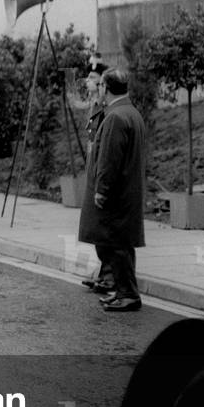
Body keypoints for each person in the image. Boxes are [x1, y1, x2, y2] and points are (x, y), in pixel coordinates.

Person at [78, 69, 147, 313]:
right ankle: (121, 291)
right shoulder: (131, 112)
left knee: (115, 244)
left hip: (116, 192)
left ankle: (128, 294)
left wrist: (101, 190)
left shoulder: (115, 117)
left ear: (106, 88)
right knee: (120, 244)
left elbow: (109, 158)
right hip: (128, 190)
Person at [79, 67, 114, 295]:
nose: (90, 83)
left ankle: (109, 275)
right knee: (95, 228)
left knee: (103, 227)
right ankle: (105, 272)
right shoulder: (95, 106)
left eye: (96, 80)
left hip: (102, 172)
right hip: (93, 169)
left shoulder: (109, 110)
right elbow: (91, 137)